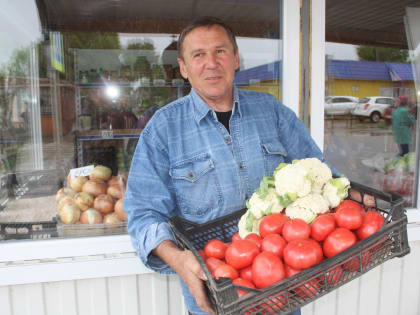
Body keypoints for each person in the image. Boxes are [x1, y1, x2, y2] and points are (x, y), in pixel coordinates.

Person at [125, 16, 330, 315]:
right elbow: (143, 214)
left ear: (235, 59)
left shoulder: (272, 112)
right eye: (198, 55)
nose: (211, 63)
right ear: (183, 68)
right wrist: (179, 260)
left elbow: (319, 172)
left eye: (220, 51)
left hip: (282, 287)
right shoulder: (162, 129)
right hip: (214, 293)